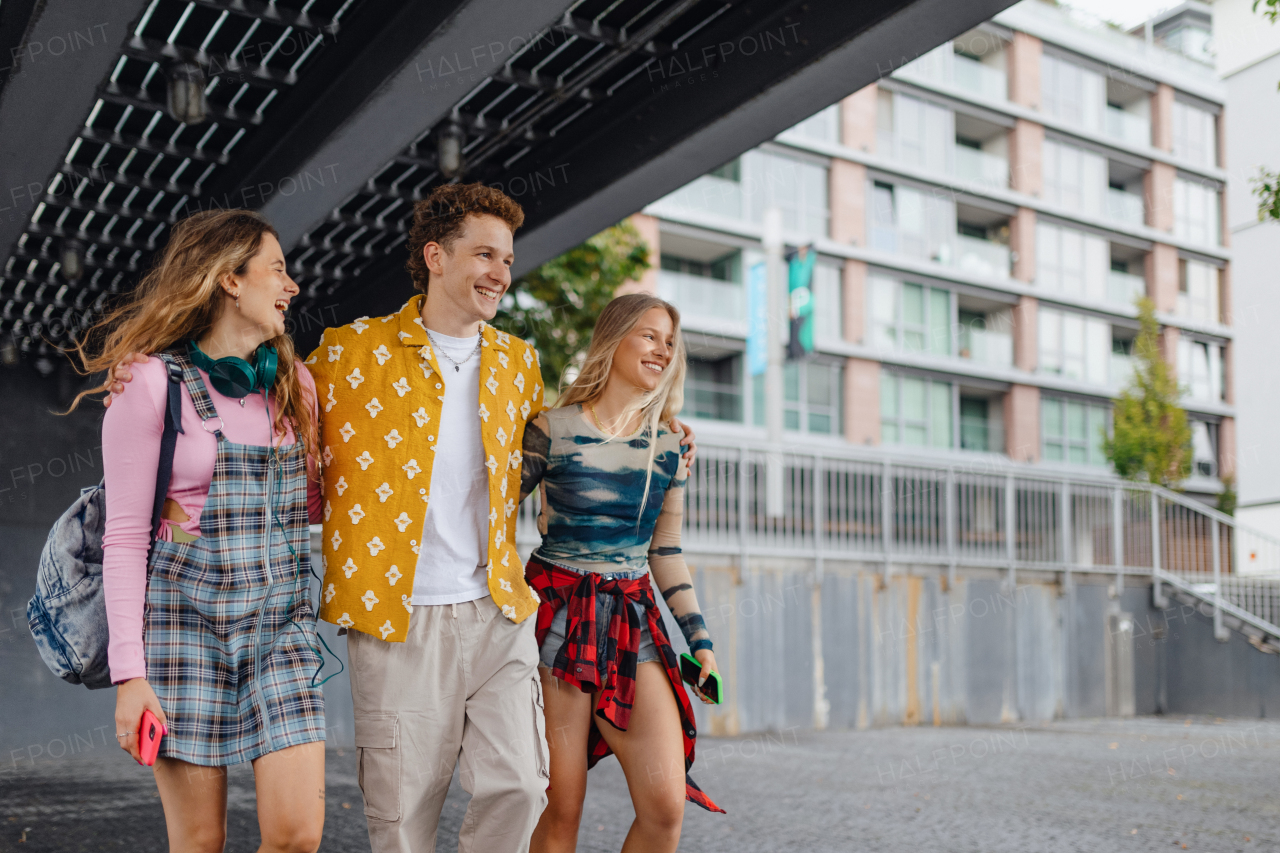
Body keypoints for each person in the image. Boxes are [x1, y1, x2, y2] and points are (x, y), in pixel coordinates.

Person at [86, 209, 327, 853]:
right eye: (277, 268)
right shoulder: (149, 384)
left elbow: (309, 511)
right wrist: (129, 676)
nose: (292, 286)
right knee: (198, 843)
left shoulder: (295, 389)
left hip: (280, 628)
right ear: (228, 279)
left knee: (298, 836)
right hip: (183, 626)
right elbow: (126, 539)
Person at [520, 293, 724, 853]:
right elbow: (485, 519)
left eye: (669, 341)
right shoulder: (548, 429)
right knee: (560, 806)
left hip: (634, 622)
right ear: (613, 341)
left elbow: (665, 550)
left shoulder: (671, 446)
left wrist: (700, 643)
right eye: (649, 335)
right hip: (556, 621)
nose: (662, 349)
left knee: (664, 805)